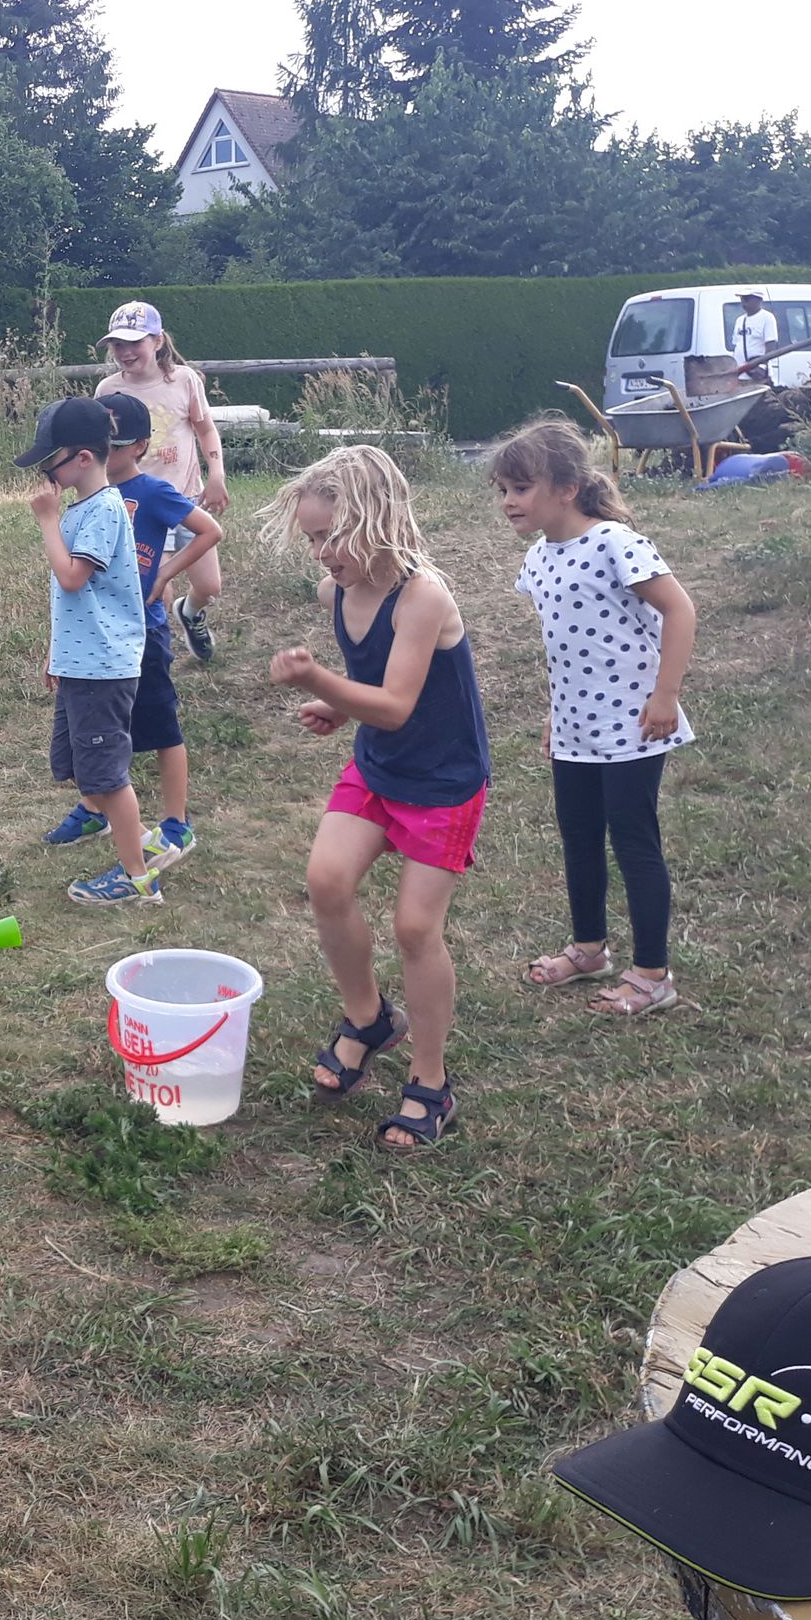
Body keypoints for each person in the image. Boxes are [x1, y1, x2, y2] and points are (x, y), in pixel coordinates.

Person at [262, 446, 488, 1151]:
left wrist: (321, 686)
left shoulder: (424, 596)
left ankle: (429, 1080)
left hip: (443, 784)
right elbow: (374, 703)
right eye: (312, 539)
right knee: (326, 878)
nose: (323, 554)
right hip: (379, 766)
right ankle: (368, 1019)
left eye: (334, 535)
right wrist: (338, 711)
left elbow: (394, 703)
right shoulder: (335, 594)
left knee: (416, 929)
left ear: (378, 519)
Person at [494, 417, 698, 1018]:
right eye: (503, 489)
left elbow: (680, 612)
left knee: (634, 842)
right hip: (576, 729)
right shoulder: (538, 558)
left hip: (636, 725)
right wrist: (557, 715)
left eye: (520, 487)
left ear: (565, 487)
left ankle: (653, 974)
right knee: (578, 836)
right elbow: (563, 646)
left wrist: (665, 695)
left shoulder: (615, 543)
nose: (509, 501)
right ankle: (589, 950)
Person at [42, 391, 222, 863]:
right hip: (96, 642)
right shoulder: (90, 503)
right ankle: (106, 816)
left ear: (138, 446)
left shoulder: (133, 497)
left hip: (137, 633)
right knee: (94, 745)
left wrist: (165, 574)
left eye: (117, 443)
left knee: (154, 727)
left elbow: (209, 530)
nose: (112, 450)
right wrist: (57, 652)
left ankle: (168, 832)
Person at [14, 396, 160, 906]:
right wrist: (57, 652)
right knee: (79, 765)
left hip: (103, 667)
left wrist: (47, 522)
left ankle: (138, 878)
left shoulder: (102, 510)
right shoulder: (88, 508)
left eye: (51, 461)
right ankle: (137, 838)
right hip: (83, 662)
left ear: (81, 459)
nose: (45, 474)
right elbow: (72, 598)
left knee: (106, 775)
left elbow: (73, 578)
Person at [94, 300, 230, 662]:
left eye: (133, 342)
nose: (124, 352)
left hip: (185, 498)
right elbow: (99, 447)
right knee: (156, 589)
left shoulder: (183, 380)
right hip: (140, 506)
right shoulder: (108, 389)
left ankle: (191, 613)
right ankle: (152, 662)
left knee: (209, 586)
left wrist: (216, 474)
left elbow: (205, 429)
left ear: (157, 340)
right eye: (117, 344)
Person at [730, 289, 778, 385]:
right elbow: (736, 345)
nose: (744, 302)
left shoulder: (767, 317)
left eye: (747, 299)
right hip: (740, 375)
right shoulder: (740, 320)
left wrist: (762, 366)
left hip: (757, 374)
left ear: (758, 300)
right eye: (742, 299)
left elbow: (771, 345)